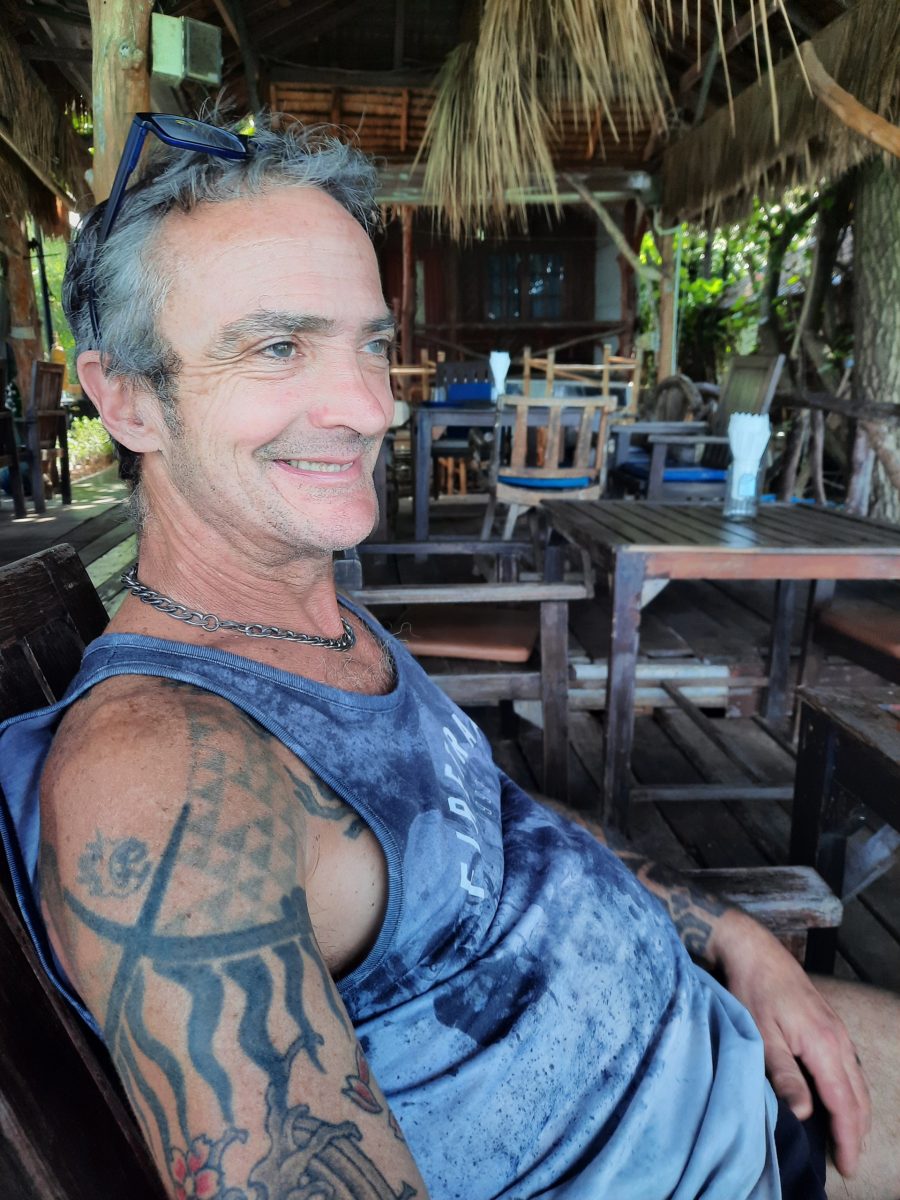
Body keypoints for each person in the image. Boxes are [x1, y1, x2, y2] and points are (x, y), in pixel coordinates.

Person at [0, 110, 897, 1200]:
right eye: (279, 347)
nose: (370, 406)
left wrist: (732, 935)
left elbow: (484, 818)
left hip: (719, 1035)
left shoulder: (318, 620)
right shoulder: (166, 777)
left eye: (371, 344)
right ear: (127, 398)